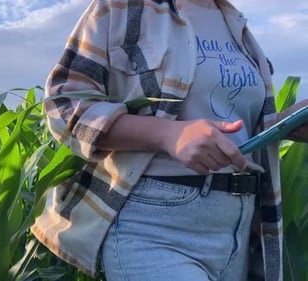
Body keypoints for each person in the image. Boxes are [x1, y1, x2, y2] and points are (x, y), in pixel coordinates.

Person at [30, 0, 308, 280]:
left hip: (239, 227)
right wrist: (167, 134)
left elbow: (234, 124)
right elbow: (63, 103)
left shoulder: (236, 25)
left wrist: (285, 122)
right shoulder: (121, 8)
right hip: (156, 226)